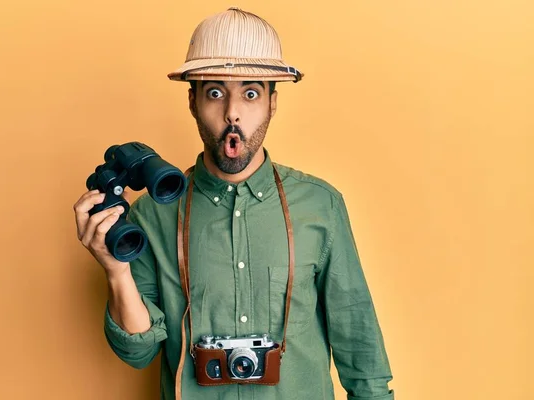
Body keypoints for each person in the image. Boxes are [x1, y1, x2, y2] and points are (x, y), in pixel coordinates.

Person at [73, 7, 395, 400]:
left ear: (272, 103)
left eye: (251, 92)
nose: (232, 113)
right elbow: (137, 353)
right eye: (214, 92)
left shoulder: (320, 206)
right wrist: (115, 271)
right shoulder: (153, 214)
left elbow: (363, 358)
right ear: (192, 101)